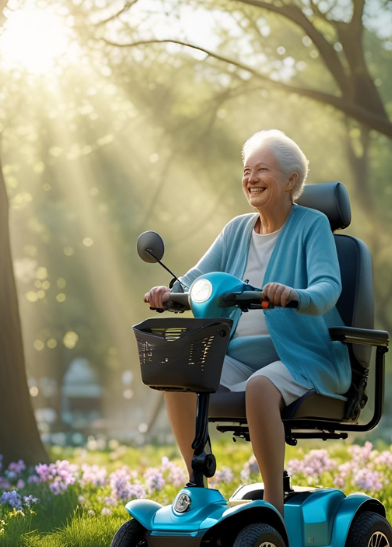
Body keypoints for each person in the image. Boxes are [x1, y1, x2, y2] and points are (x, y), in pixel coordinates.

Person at [144, 129, 350, 517]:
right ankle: (197, 489)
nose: (251, 179)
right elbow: (196, 277)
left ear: (291, 181)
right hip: (240, 354)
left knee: (259, 387)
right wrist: (169, 292)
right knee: (179, 376)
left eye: (262, 170)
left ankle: (273, 508)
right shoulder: (237, 229)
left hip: (301, 356)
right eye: (246, 171)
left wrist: (295, 295)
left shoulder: (312, 225)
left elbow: (328, 287)